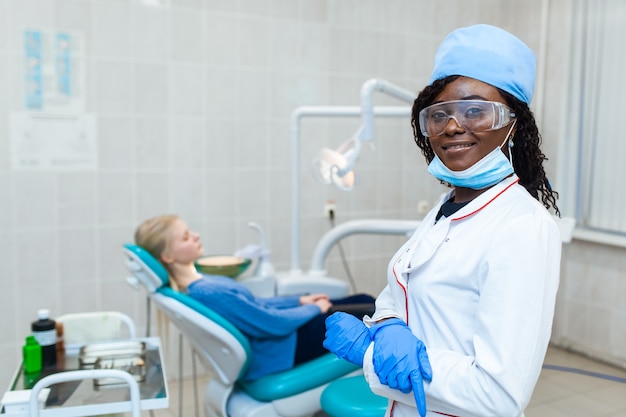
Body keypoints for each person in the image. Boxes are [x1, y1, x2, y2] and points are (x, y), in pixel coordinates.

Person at [323, 24, 562, 417]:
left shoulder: (523, 227)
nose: (452, 126)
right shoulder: (446, 206)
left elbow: (498, 396)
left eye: (475, 111)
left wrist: (370, 353)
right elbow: (402, 293)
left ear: (513, 123)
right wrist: (387, 325)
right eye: (439, 114)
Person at [134, 214, 375, 381]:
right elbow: (272, 323)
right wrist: (315, 308)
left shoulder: (202, 283)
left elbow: (257, 305)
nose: (195, 236)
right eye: (186, 237)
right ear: (167, 256)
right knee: (371, 314)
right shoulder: (207, 292)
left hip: (283, 340)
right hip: (283, 348)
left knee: (365, 299)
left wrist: (300, 301)